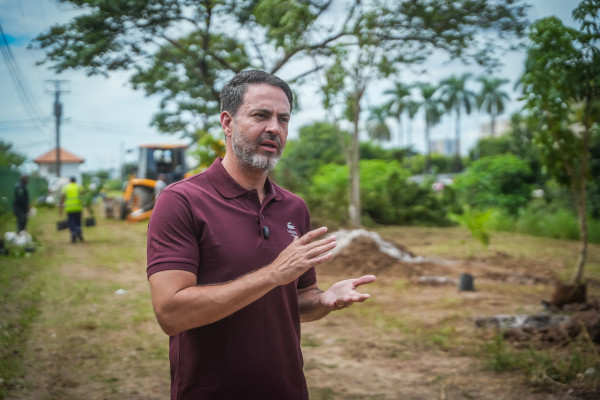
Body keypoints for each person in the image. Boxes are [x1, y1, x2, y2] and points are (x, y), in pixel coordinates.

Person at [147, 70, 376, 400]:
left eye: (283, 119)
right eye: (260, 115)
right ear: (227, 123)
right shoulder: (181, 201)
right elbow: (171, 314)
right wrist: (272, 274)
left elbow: (298, 300)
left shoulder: (293, 207)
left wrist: (324, 300)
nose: (274, 128)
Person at [59, 177, 84, 243]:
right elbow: (83, 196)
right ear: (75, 181)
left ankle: (73, 233)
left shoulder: (65, 187)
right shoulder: (79, 187)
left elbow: (62, 197)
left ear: (70, 181)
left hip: (69, 208)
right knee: (78, 221)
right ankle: (79, 233)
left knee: (71, 221)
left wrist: (60, 208)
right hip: (78, 207)